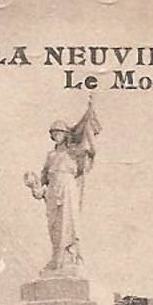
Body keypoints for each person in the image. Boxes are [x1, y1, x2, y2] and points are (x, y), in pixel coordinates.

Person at [24, 104, 101, 273]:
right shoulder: (50, 156)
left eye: (59, 133)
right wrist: (33, 185)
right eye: (54, 133)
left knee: (70, 223)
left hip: (67, 188)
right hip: (53, 191)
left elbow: (89, 149)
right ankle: (56, 257)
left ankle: (71, 257)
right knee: (54, 227)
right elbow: (42, 184)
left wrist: (88, 126)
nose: (57, 135)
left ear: (65, 135)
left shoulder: (73, 152)